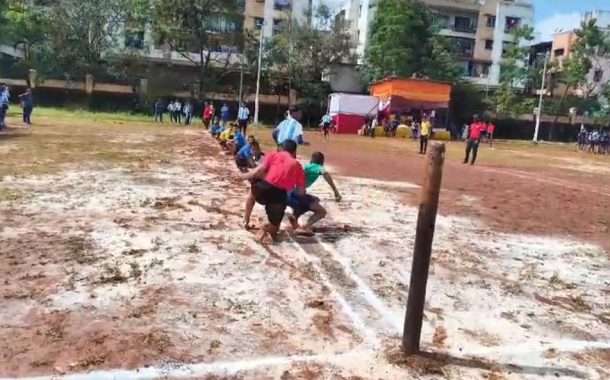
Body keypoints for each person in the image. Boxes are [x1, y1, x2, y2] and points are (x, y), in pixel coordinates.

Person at [241, 140, 306, 243]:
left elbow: (258, 171)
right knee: (275, 227)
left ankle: (246, 219)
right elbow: (301, 191)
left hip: (262, 190)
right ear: (294, 152)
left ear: (281, 149)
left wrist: (243, 176)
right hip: (278, 195)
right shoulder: (298, 166)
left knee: (252, 193)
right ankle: (266, 228)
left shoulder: (273, 155)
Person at [287, 152, 341, 235]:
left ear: (311, 160)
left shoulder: (307, 166)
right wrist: (335, 191)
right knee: (321, 212)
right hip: (297, 195)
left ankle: (295, 217)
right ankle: (305, 226)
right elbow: (325, 174)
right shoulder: (318, 167)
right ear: (322, 161)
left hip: (289, 193)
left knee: (315, 200)